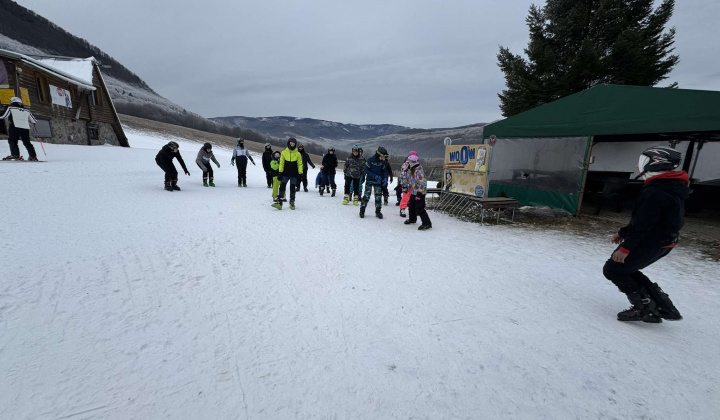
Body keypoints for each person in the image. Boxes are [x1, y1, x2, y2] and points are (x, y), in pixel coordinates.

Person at [603, 146, 688, 323]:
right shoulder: (670, 186)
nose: (637, 165)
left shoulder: (656, 191)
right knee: (626, 269)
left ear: (655, 164)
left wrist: (625, 248)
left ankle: (645, 309)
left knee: (613, 269)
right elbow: (650, 219)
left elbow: (643, 225)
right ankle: (664, 305)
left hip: (651, 241)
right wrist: (623, 232)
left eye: (641, 161)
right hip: (664, 241)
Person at [1, 97, 38, 161]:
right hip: (25, 128)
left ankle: (15, 155)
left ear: (12, 101)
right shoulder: (27, 110)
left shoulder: (10, 108)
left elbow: (4, 116)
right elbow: (34, 120)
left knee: (12, 141)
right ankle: (33, 156)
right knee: (27, 142)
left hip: (14, 127)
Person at [272, 138, 303, 210]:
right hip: (285, 173)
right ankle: (279, 203)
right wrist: (280, 172)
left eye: (293, 144)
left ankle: (292, 202)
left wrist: (300, 174)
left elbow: (300, 164)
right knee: (282, 187)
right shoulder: (284, 153)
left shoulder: (298, 154)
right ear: (288, 144)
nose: (292, 145)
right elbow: (281, 163)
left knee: (292, 188)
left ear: (295, 144)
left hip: (294, 174)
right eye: (291, 143)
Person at [404, 152, 432, 230]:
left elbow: (423, 182)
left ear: (415, 162)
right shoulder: (411, 169)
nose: (409, 163)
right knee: (411, 205)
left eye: (411, 161)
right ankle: (412, 219)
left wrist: (419, 193)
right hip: (414, 191)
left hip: (420, 192)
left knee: (419, 208)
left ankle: (427, 223)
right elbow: (411, 180)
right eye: (409, 161)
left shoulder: (418, 170)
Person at [359, 147, 389, 219]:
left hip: (378, 182)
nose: (383, 158)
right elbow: (366, 170)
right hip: (370, 181)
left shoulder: (382, 162)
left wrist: (385, 178)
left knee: (378, 196)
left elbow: (384, 171)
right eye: (383, 156)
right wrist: (374, 176)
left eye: (384, 157)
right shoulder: (370, 160)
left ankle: (378, 211)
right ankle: (362, 210)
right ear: (378, 155)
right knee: (366, 196)